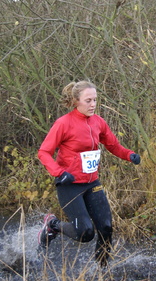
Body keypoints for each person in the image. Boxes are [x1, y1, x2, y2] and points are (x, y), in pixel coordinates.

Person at [36, 80, 141, 266]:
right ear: (76, 101)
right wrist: (59, 172)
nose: (93, 104)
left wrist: (129, 155)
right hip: (69, 185)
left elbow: (113, 145)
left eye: (95, 100)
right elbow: (44, 152)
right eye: (88, 100)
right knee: (85, 233)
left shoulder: (98, 122)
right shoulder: (63, 123)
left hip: (92, 182)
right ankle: (53, 225)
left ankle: (102, 269)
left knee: (106, 228)